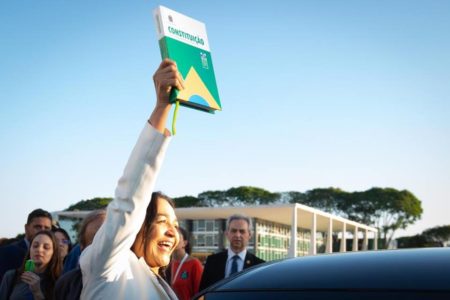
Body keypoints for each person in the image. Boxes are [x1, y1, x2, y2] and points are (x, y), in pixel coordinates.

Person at [79, 59, 184, 299]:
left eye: (175, 226)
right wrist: (163, 107)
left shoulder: (162, 286)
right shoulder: (110, 266)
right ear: (137, 224)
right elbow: (129, 200)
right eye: (161, 221)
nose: (172, 232)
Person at [199, 214, 265, 291]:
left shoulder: (259, 266)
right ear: (227, 233)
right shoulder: (212, 261)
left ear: (250, 235)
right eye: (233, 231)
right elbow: (203, 292)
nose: (237, 235)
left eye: (242, 231)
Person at [54, 209, 106, 300]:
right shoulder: (66, 285)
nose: (106, 246)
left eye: (109, 238)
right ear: (82, 247)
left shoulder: (135, 279)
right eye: (96, 240)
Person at [0, 230, 62, 299]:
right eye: (35, 246)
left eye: (46, 247)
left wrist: (37, 292)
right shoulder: (11, 276)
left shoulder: (60, 282)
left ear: (54, 253)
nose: (39, 250)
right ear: (29, 250)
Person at [0, 208, 53, 283]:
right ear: (26, 228)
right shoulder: (8, 252)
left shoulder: (53, 256)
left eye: (47, 228)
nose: (42, 231)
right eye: (37, 227)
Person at [167, 227, 203, 300]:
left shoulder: (194, 264)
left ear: (184, 243)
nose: (174, 240)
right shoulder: (166, 264)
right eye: (171, 236)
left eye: (177, 236)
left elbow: (200, 294)